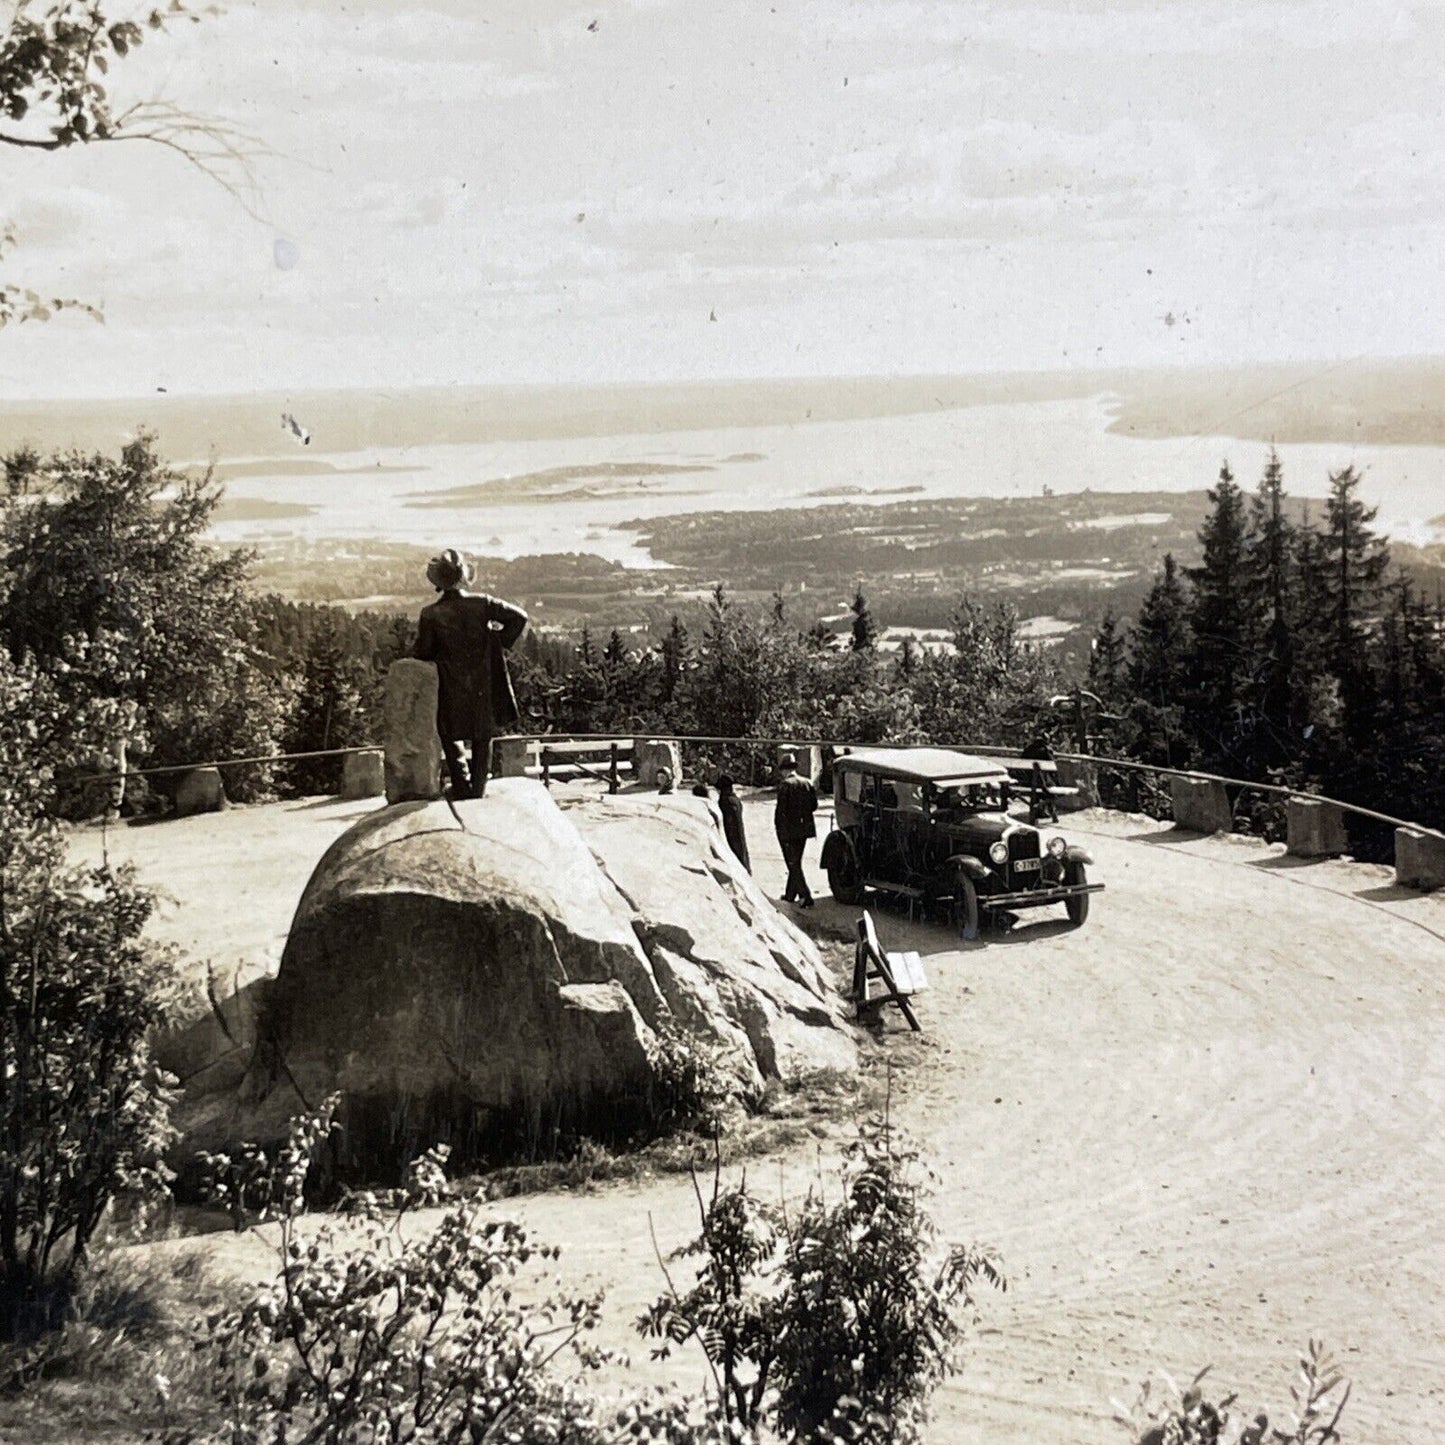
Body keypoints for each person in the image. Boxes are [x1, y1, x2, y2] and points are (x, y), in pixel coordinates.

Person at [413, 548, 528, 799]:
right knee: (481, 735)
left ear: (438, 582)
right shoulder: (483, 603)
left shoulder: (430, 614)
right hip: (482, 682)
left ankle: (461, 784)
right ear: (464, 575)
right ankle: (478, 788)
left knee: (448, 732)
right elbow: (520, 618)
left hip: (449, 683)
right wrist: (497, 640)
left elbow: (422, 651)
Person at [773, 752, 818, 906]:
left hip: (789, 831)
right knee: (796, 861)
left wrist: (779, 829)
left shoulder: (785, 785)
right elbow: (814, 806)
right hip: (804, 829)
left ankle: (806, 896)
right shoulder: (807, 783)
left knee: (793, 863)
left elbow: (780, 811)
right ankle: (790, 894)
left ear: (785, 770)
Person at [716, 773, 749, 873]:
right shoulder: (734, 799)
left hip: (731, 832)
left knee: (736, 853)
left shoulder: (726, 800)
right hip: (737, 831)